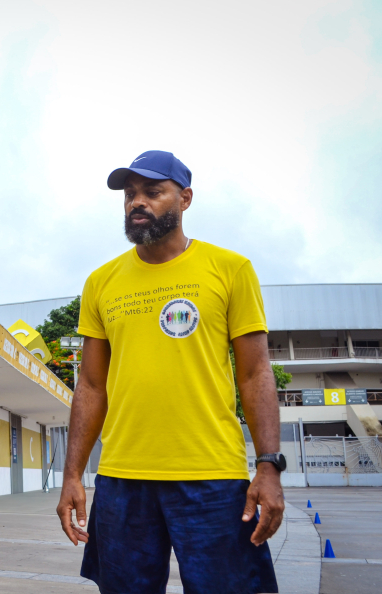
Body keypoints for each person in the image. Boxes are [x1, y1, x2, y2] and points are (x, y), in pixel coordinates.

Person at [56, 151, 285, 594]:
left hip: (212, 478)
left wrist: (269, 466)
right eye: (129, 194)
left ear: (185, 198)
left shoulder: (229, 269)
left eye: (152, 192)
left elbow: (255, 374)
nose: (136, 202)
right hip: (123, 479)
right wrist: (72, 475)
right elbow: (90, 384)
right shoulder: (101, 282)